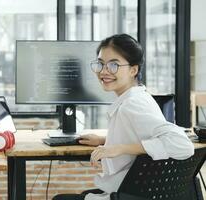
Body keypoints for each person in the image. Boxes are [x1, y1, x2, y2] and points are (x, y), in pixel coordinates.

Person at [52, 34, 194, 200]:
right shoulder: (135, 97)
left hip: (127, 194)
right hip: (131, 190)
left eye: (114, 65)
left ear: (133, 70)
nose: (104, 72)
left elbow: (183, 144)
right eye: (100, 64)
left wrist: (118, 148)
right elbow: (143, 134)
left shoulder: (133, 104)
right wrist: (105, 140)